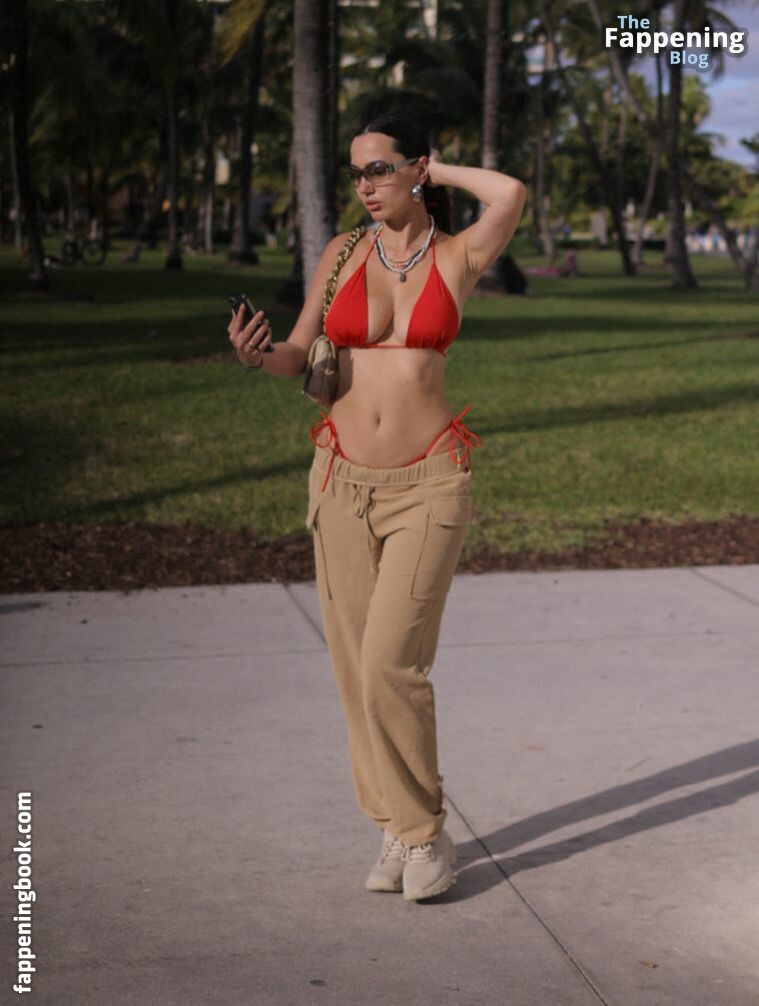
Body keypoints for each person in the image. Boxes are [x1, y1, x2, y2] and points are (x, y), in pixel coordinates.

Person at [228, 114, 526, 902]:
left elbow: (509, 193)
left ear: (415, 170)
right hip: (340, 482)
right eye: (355, 173)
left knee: (393, 663)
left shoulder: (458, 255)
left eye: (379, 170)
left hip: (428, 483)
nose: (363, 185)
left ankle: (424, 835)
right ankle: (393, 824)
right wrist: (259, 355)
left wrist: (436, 169)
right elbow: (298, 353)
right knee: (355, 670)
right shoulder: (342, 254)